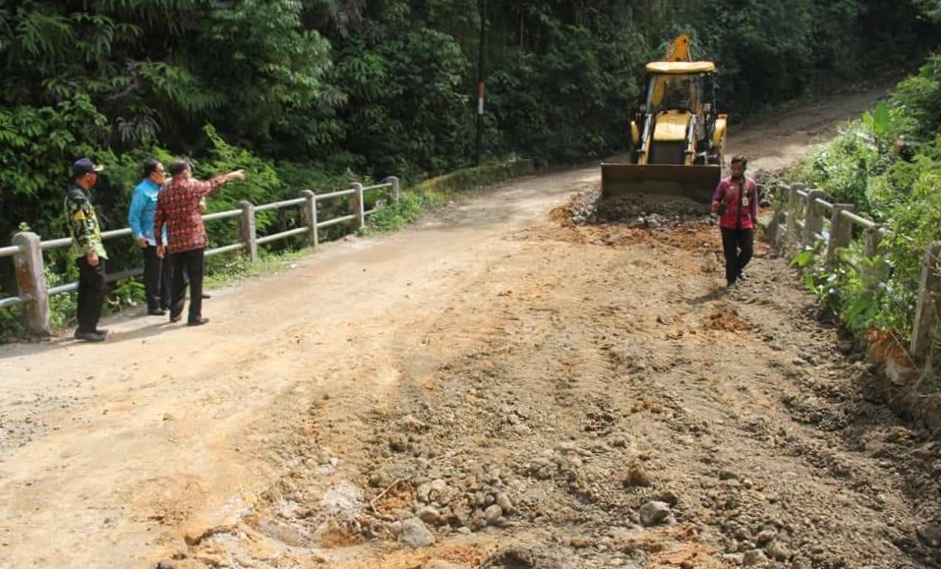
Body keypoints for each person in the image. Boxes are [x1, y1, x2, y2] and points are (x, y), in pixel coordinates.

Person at [154, 159, 244, 326]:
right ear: (185, 171)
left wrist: (159, 241)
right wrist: (231, 176)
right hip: (194, 239)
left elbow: (158, 218)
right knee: (196, 278)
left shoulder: (163, 191)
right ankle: (194, 316)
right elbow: (213, 184)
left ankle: (175, 312)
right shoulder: (192, 187)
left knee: (177, 277)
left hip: (175, 241)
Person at [64, 158, 109, 342]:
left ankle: (86, 326)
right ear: (87, 176)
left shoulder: (80, 194)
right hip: (87, 249)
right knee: (98, 284)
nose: (96, 176)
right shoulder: (77, 197)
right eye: (94, 173)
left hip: (86, 248)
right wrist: (90, 250)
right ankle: (87, 328)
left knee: (87, 286)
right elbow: (81, 225)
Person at [128, 159, 172, 315]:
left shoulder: (163, 188)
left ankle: (167, 301)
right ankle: (154, 305)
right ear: (152, 175)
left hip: (166, 236)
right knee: (153, 273)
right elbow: (134, 216)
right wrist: (138, 235)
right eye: (161, 171)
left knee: (167, 271)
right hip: (151, 238)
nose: (164, 174)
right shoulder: (142, 191)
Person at [711, 155, 758, 287]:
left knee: (748, 251)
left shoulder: (750, 184)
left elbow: (753, 203)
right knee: (730, 254)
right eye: (733, 169)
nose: (735, 171)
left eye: (738, 169)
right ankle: (730, 280)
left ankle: (736, 269)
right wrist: (716, 206)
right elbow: (716, 198)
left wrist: (754, 219)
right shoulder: (725, 184)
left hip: (745, 222)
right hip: (728, 223)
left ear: (744, 169)